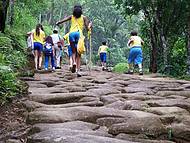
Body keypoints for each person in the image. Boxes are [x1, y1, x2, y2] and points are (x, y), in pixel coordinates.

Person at [56, 5, 92, 77]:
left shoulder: (71, 16)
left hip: (71, 34)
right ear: (81, 10)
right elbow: (87, 28)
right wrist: (90, 26)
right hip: (79, 34)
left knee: (73, 52)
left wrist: (58, 23)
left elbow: (62, 20)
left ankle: (74, 63)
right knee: (78, 54)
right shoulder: (84, 17)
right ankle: (78, 71)